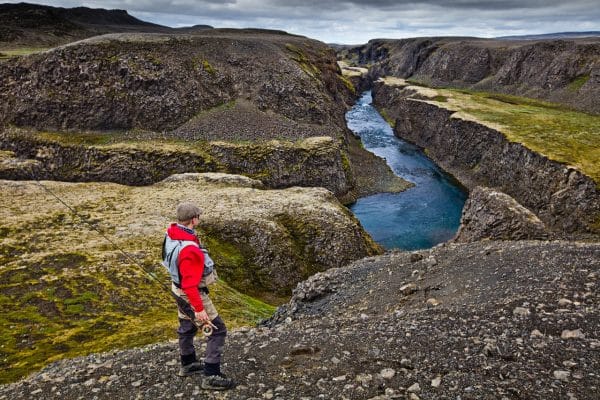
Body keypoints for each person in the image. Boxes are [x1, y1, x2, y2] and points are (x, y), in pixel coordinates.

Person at [162, 202, 235, 390]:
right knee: (217, 330)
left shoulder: (171, 233)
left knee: (186, 325)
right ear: (193, 219)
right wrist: (200, 309)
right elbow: (189, 284)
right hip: (190, 294)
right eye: (198, 216)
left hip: (177, 289)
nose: (199, 219)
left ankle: (188, 363)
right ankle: (211, 375)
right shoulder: (190, 250)